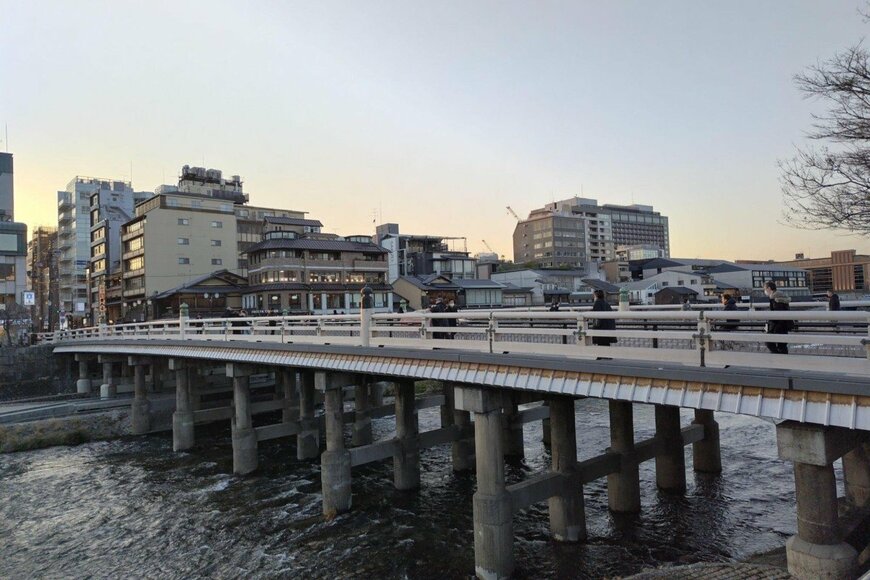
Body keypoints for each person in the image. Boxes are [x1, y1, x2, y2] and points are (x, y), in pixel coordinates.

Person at [764, 281, 792, 355]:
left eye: (765, 289)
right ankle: (782, 360)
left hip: (778, 326)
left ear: (769, 288)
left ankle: (779, 358)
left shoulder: (776, 299)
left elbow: (777, 314)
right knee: (782, 345)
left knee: (769, 342)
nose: (765, 291)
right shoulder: (780, 297)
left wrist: (770, 327)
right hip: (783, 325)